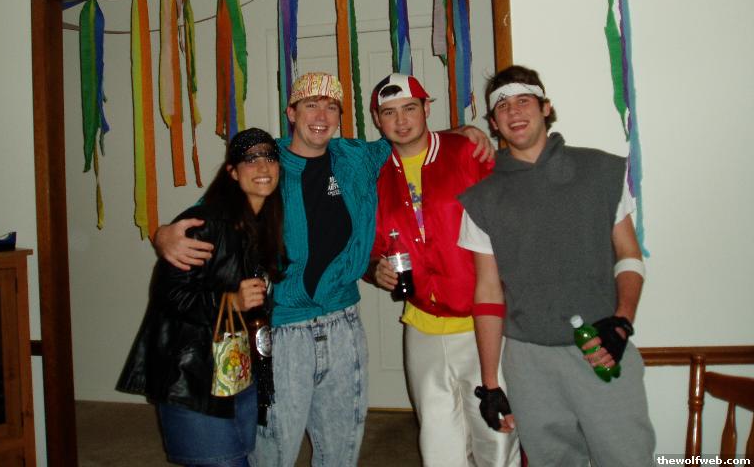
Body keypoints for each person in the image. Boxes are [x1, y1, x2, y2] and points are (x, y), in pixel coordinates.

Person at [154, 72, 492, 467]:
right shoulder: (266, 162)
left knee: (340, 452)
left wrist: (462, 132)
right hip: (282, 331)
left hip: (344, 325)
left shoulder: (356, 157)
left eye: (331, 106)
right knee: (273, 453)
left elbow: (407, 135)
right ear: (291, 113)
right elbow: (214, 207)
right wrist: (164, 234)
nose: (321, 115)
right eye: (310, 105)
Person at [457, 66, 656, 466]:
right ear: (493, 122)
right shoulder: (481, 200)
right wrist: (491, 383)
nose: (514, 112)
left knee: (628, 458)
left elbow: (628, 254)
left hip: (600, 347)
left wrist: (621, 322)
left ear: (546, 108)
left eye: (524, 101)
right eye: (502, 107)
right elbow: (488, 292)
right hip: (529, 363)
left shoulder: (601, 171)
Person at [367, 73, 520, 467]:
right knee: (437, 443)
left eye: (410, 108)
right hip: (421, 328)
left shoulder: (467, 152)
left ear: (426, 109)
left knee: (496, 438)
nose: (401, 120)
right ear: (377, 119)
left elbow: (510, 220)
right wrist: (374, 269)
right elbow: (374, 247)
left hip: (480, 325)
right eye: (389, 113)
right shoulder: (375, 173)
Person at [116, 128, 283, 467]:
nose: (262, 166)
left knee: (238, 458)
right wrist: (230, 301)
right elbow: (169, 294)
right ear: (232, 172)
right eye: (250, 159)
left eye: (269, 157)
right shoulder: (203, 224)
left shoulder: (263, 224)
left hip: (238, 369)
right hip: (194, 377)